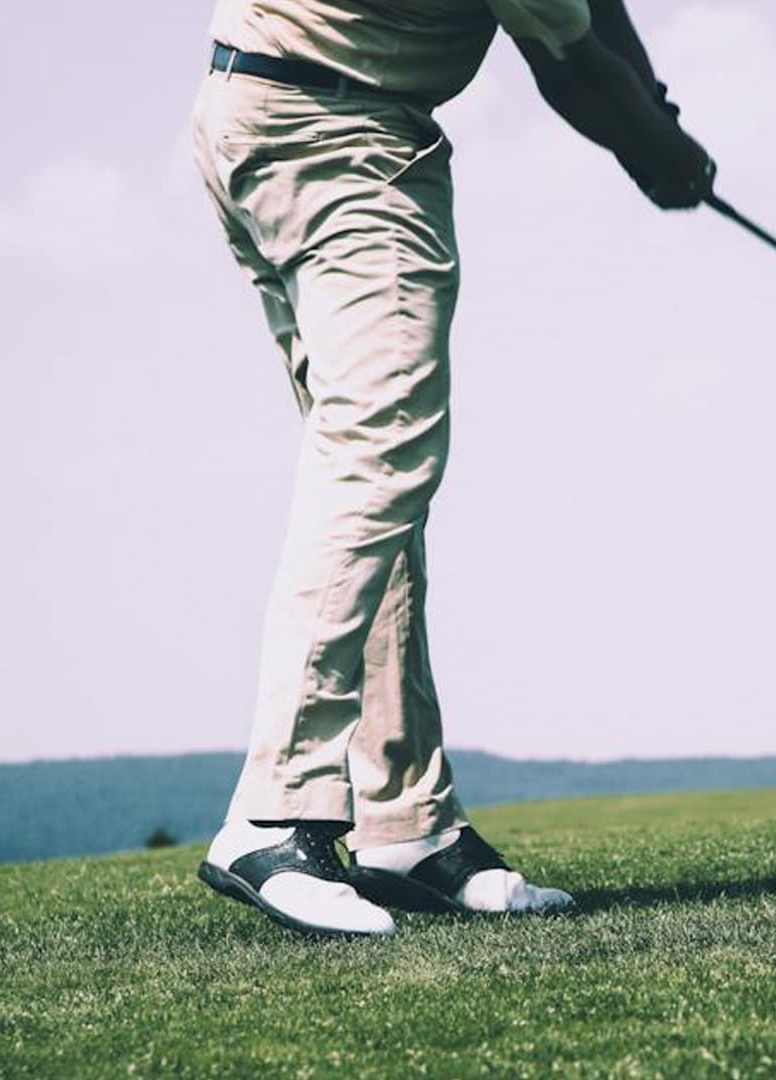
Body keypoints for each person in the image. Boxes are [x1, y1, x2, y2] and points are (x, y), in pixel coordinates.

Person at [188, 0, 714, 937]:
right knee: (378, 451)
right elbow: (575, 62)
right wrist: (659, 149)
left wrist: (658, 112)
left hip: (254, 112)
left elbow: (593, 17)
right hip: (344, 136)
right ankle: (276, 810)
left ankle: (407, 826)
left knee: (374, 481)